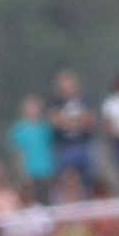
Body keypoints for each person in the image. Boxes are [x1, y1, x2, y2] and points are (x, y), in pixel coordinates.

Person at [46, 70, 98, 199]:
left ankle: (87, 205)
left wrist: (66, 120)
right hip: (64, 147)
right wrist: (77, 120)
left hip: (83, 145)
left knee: (87, 179)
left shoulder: (85, 101)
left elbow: (89, 121)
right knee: (65, 180)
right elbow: (55, 122)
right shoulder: (55, 103)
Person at [6, 94, 57, 198]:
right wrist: (21, 174)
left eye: (35, 106)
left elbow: (53, 148)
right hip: (30, 173)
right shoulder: (18, 130)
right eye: (30, 106)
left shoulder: (46, 127)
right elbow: (16, 153)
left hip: (47, 171)